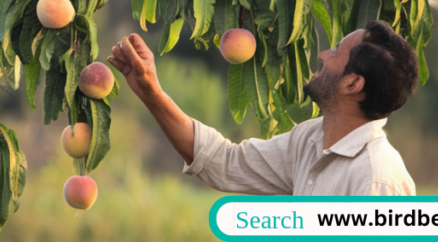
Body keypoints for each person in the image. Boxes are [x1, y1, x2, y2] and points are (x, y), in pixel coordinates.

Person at [106, 20, 419, 196]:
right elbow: (224, 162)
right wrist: (150, 91)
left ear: (353, 83)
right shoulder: (311, 139)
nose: (323, 55)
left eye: (336, 51)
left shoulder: (376, 180)